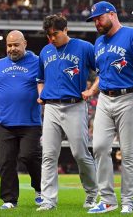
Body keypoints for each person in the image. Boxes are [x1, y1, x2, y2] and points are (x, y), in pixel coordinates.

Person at [36, 13, 98, 211]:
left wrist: (91, 90)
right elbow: (40, 79)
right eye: (48, 35)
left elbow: (103, 71)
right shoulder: (45, 51)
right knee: (48, 155)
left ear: (65, 30)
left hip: (75, 105)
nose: (51, 38)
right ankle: (48, 200)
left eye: (55, 34)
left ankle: (91, 193)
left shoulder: (84, 47)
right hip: (51, 107)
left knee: (80, 153)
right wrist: (41, 94)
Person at [0, 30, 43, 209]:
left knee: (29, 156)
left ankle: (40, 189)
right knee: (6, 162)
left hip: (30, 122)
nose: (12, 49)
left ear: (25, 44)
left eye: (16, 45)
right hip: (5, 123)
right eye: (9, 45)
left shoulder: (38, 62)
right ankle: (9, 200)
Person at [84, 1, 133, 214]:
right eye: (94, 20)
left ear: (112, 14)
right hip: (105, 99)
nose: (96, 22)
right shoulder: (98, 43)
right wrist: (93, 90)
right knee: (99, 147)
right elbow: (101, 73)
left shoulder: (131, 35)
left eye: (99, 18)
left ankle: (129, 201)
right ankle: (107, 200)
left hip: (129, 96)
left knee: (129, 153)